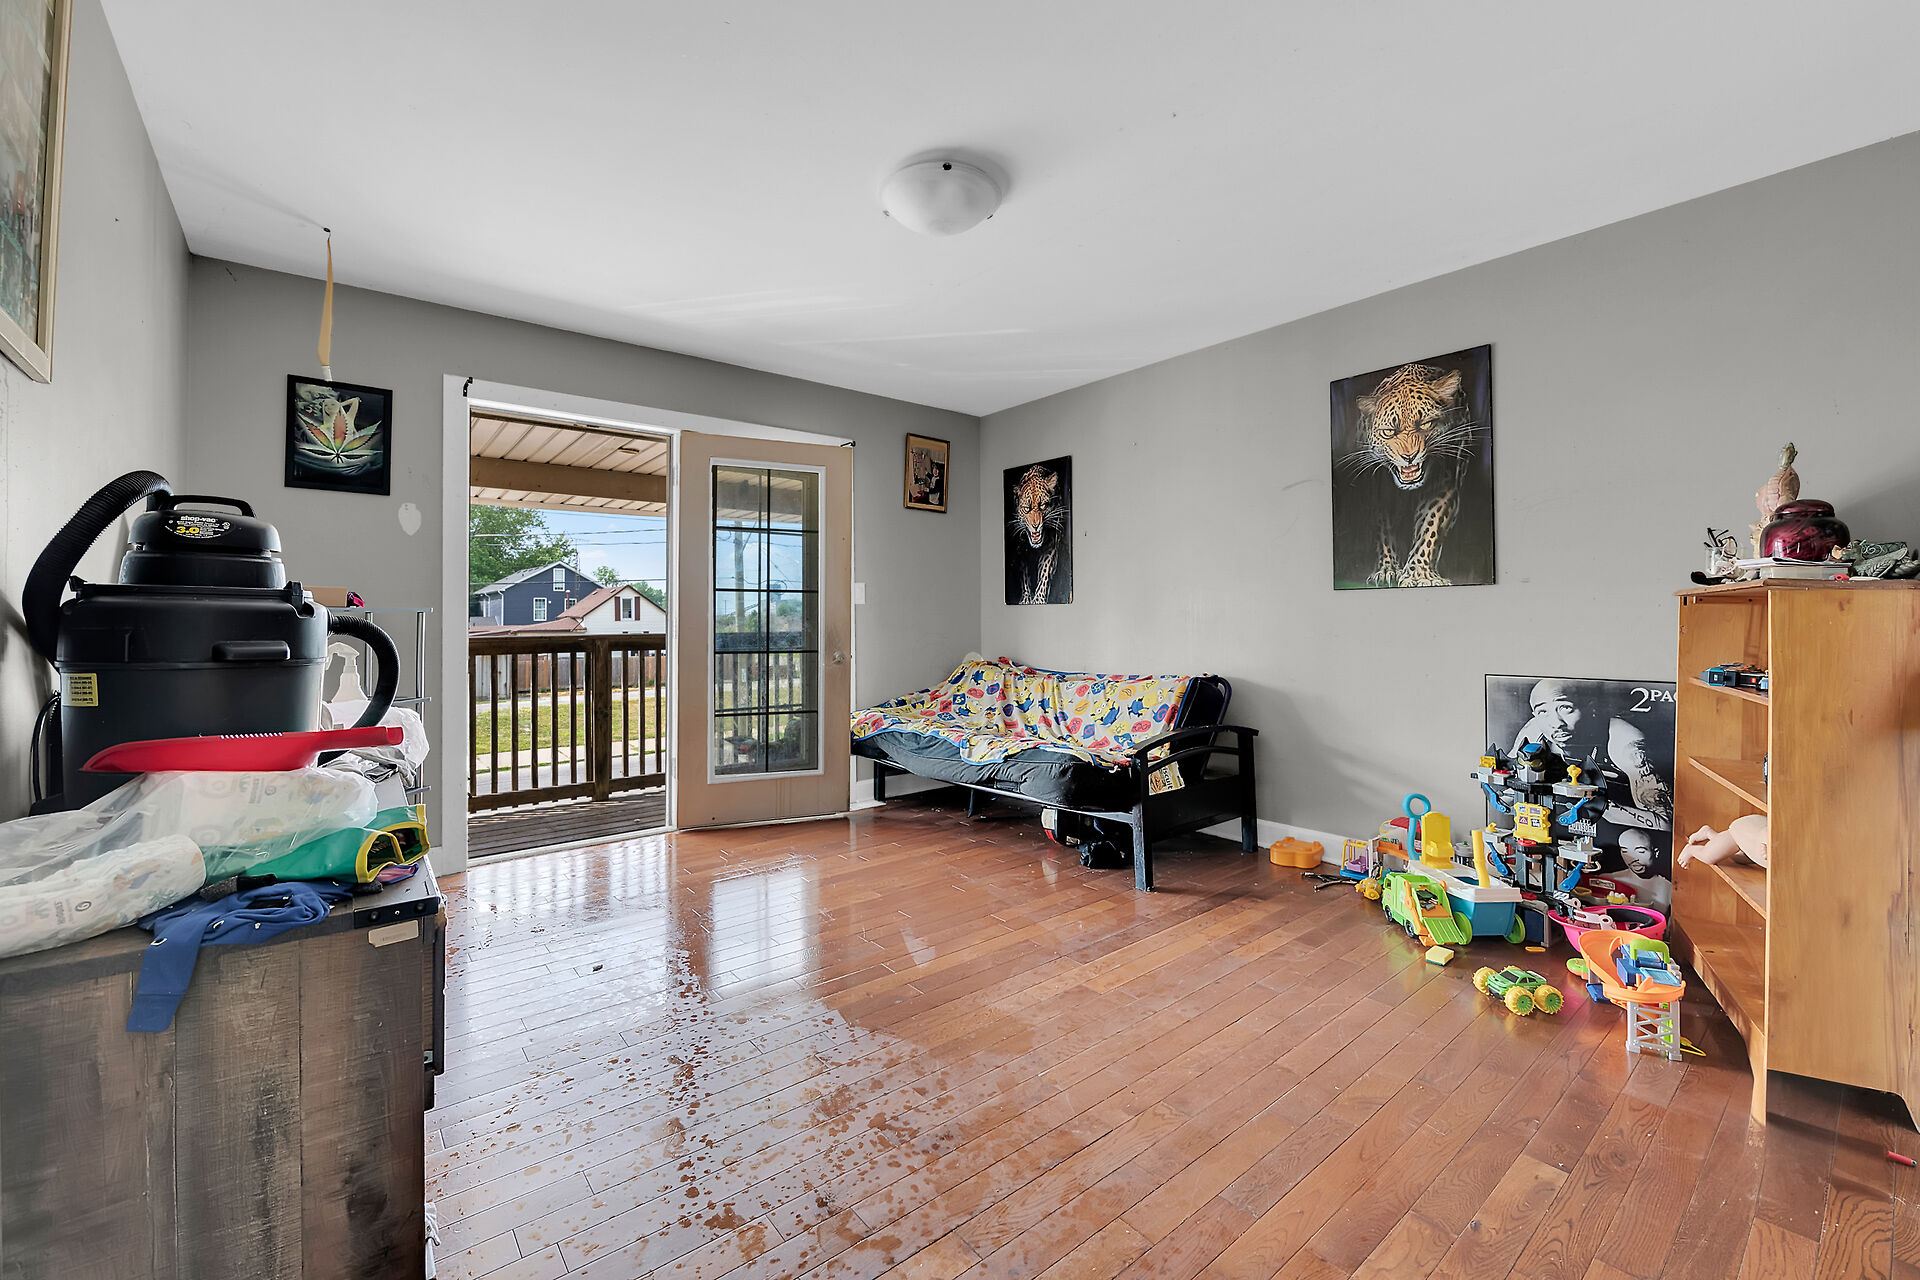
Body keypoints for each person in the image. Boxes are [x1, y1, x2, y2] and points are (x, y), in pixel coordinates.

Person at [1509, 679, 1673, 826]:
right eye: (1543, 711)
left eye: (1566, 708)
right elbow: (1506, 793)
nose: (1556, 723)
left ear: (1590, 707)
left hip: (1619, 829)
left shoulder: (1625, 741)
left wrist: (1596, 805)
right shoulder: (1534, 732)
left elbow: (1665, 822)